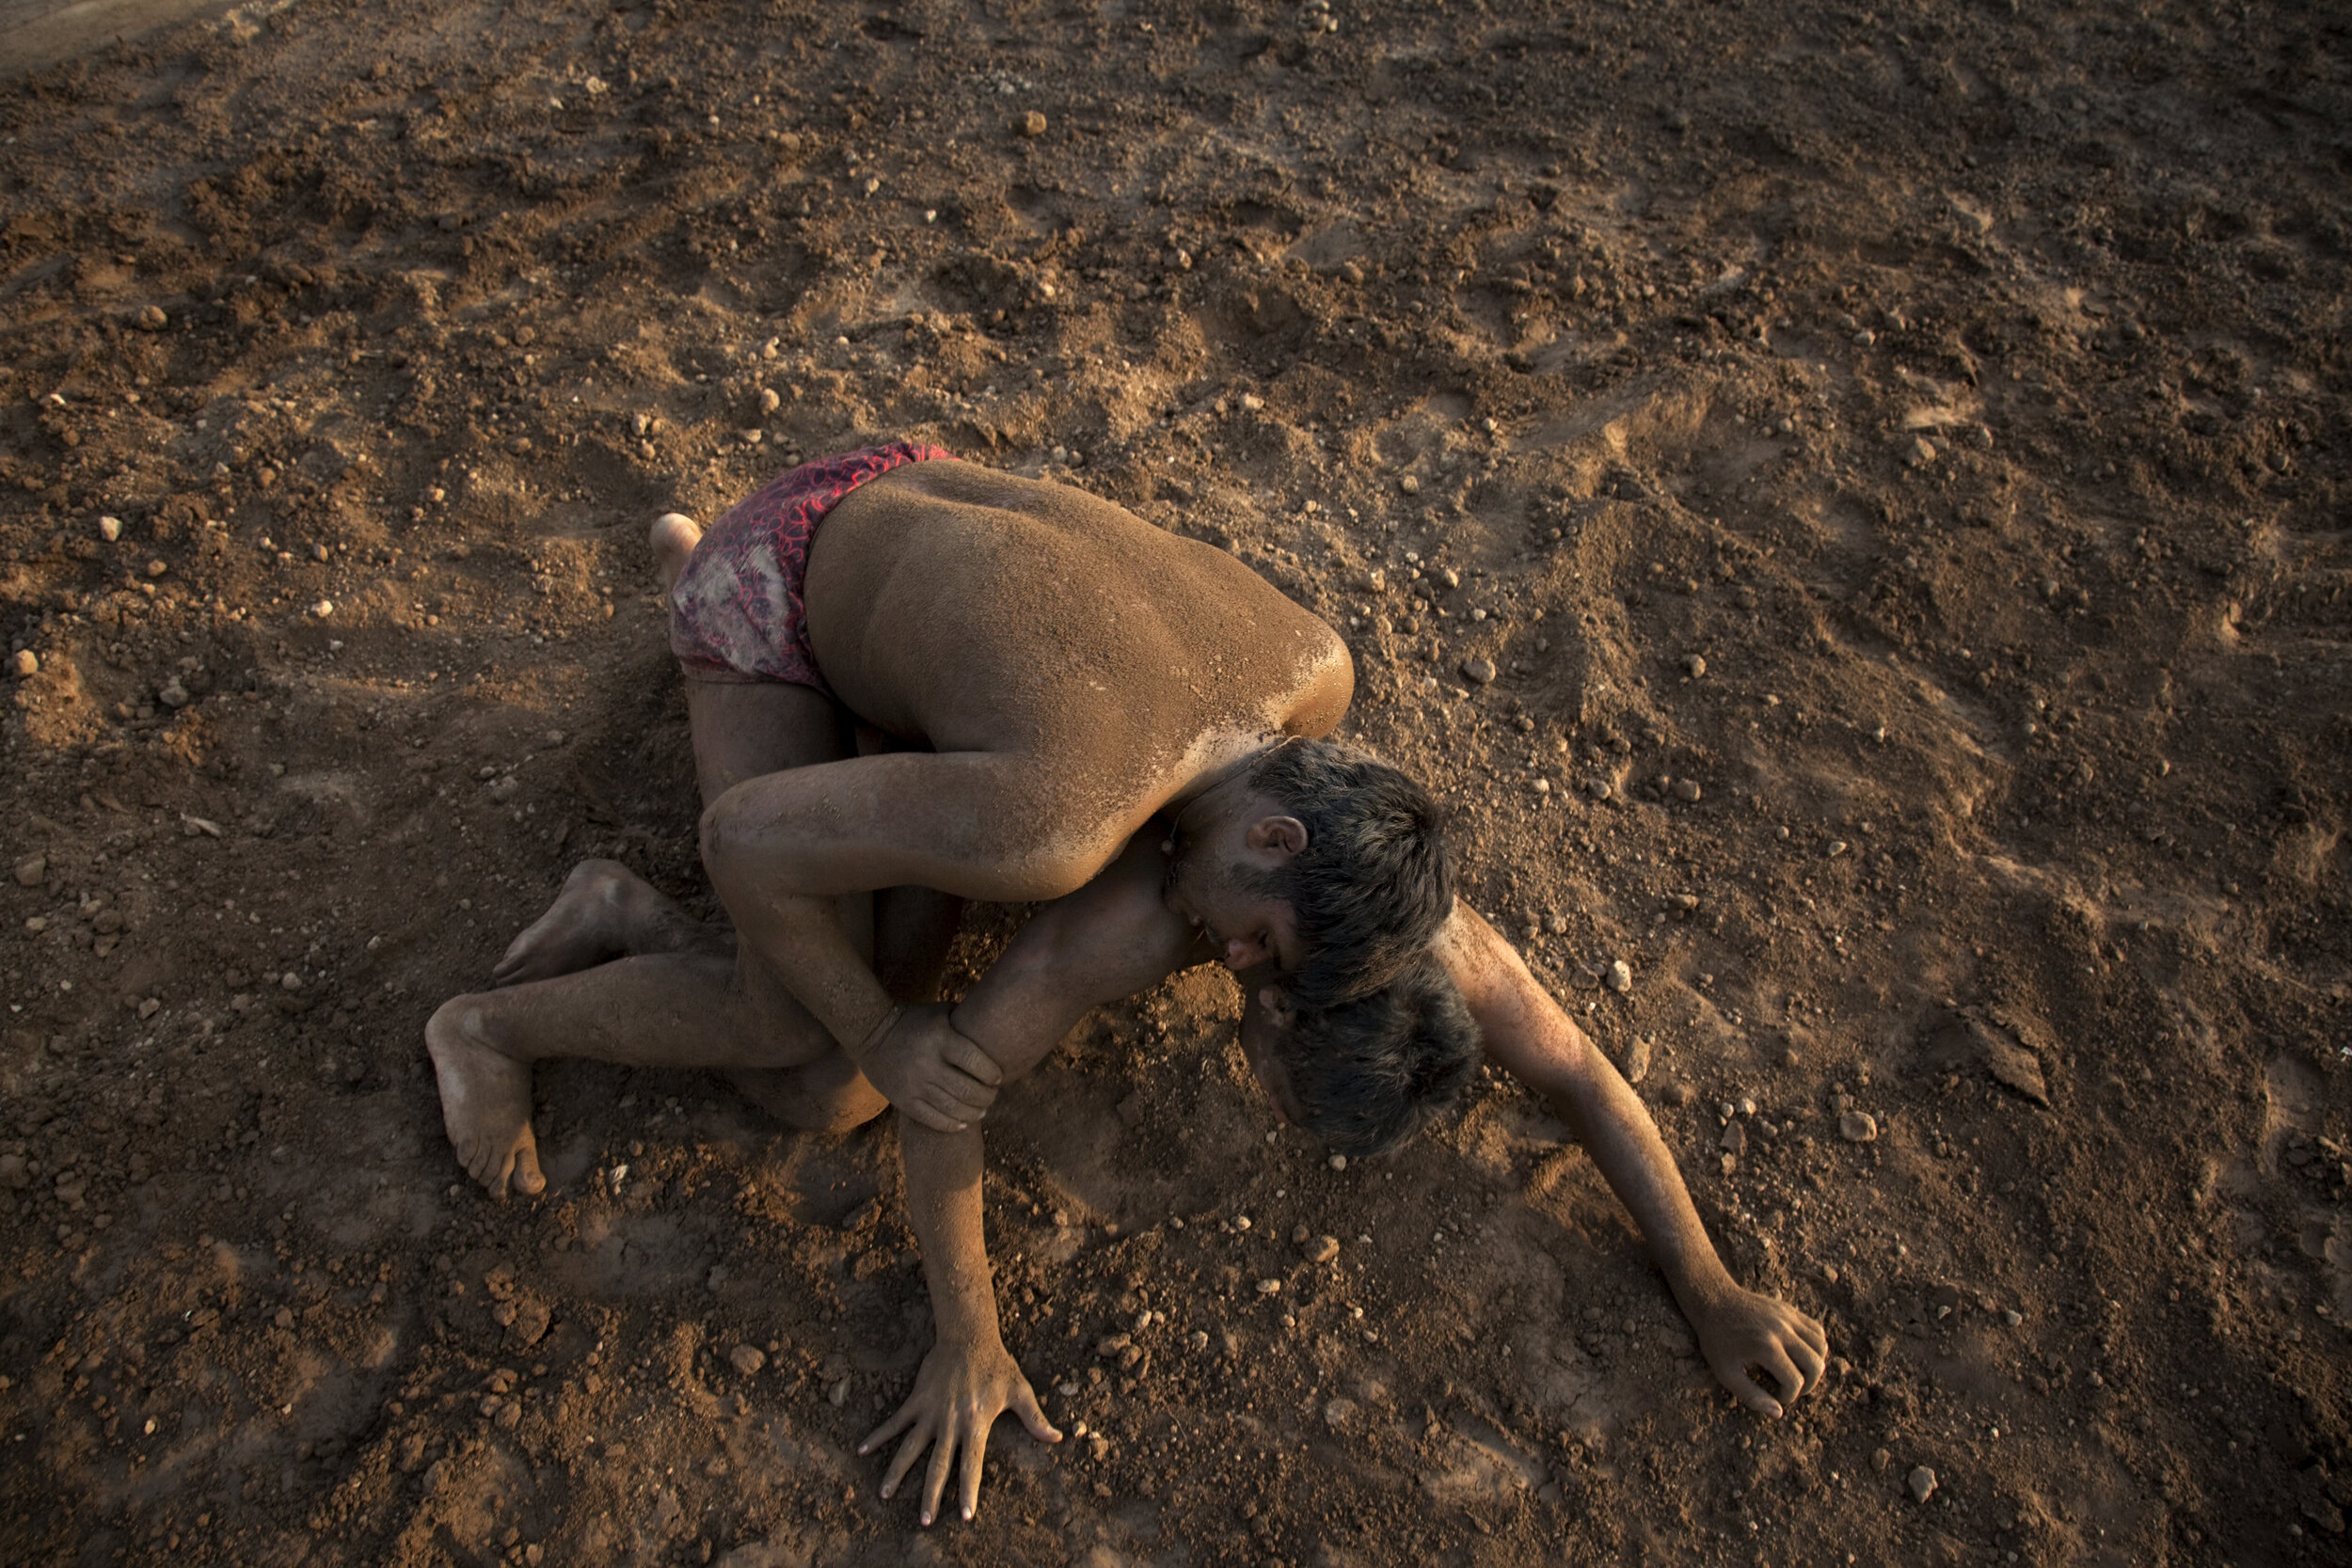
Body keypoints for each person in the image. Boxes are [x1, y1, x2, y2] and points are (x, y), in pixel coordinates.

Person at [425, 445, 1829, 1526]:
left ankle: (724, 578)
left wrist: (1708, 1288)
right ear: (1277, 838)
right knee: (803, 1044)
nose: (1233, 969)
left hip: (910, 486)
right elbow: (743, 848)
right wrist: (883, 1035)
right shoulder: (1059, 835)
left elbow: (1574, 1067)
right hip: (784, 590)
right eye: (1262, 948)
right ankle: (497, 1016)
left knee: (900, 909)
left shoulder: (1313, 680)